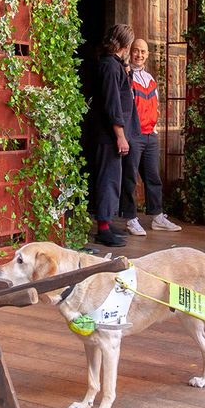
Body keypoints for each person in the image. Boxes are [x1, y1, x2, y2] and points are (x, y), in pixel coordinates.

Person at [81, 24, 136, 247]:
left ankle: (107, 219)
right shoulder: (109, 66)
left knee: (113, 178)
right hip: (108, 134)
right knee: (108, 179)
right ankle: (103, 227)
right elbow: (112, 104)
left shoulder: (113, 64)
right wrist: (120, 135)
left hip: (108, 133)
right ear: (124, 45)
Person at [120, 38, 182, 235]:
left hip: (150, 135)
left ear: (147, 55)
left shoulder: (150, 79)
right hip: (134, 135)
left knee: (153, 177)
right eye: (136, 51)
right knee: (129, 177)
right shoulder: (126, 76)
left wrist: (154, 127)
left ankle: (157, 216)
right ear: (131, 52)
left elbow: (155, 105)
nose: (139, 55)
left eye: (143, 52)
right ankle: (131, 218)